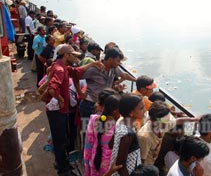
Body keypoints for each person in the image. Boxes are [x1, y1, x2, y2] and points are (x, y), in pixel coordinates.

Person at [45, 44, 104, 175]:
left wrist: (93, 64)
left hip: (61, 110)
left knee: (63, 137)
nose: (76, 58)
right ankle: (63, 169)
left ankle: (61, 162)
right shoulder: (60, 69)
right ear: (67, 55)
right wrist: (61, 100)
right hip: (57, 111)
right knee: (60, 139)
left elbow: (77, 71)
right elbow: (52, 89)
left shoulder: (62, 66)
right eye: (74, 55)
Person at [84, 94, 121, 176]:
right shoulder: (118, 128)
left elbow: (88, 144)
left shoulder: (94, 119)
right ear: (115, 112)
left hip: (94, 161)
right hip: (109, 168)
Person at [110, 94, 145, 176]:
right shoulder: (128, 135)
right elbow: (120, 165)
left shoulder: (120, 121)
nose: (145, 110)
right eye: (141, 108)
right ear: (131, 113)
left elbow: (110, 144)